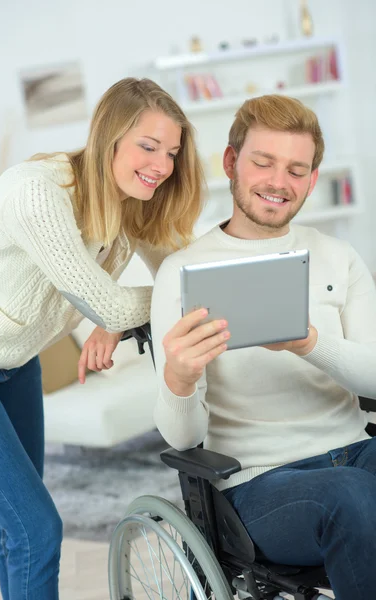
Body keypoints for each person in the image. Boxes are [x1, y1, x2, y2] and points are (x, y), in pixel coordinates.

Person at [0, 77, 204, 599]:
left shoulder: (130, 201)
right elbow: (117, 300)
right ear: (110, 138)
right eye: (148, 146)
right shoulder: (38, 191)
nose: (162, 165)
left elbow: (184, 276)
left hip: (15, 362)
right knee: (37, 527)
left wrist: (116, 318)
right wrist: (114, 315)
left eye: (171, 152)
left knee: (17, 528)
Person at [151, 94, 376, 600]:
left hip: (356, 451)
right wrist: (180, 378)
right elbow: (182, 437)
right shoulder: (181, 273)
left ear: (313, 179)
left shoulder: (337, 256)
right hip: (258, 484)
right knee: (355, 500)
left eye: (297, 170)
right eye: (263, 162)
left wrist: (309, 343)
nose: (279, 182)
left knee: (358, 490)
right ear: (231, 163)